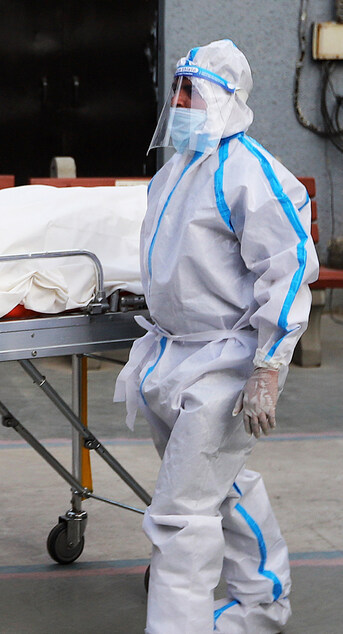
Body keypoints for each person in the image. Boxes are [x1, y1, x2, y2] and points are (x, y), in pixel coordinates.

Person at [115, 40, 317, 633]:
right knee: (223, 486)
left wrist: (268, 364)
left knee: (181, 513)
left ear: (224, 99)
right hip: (172, 356)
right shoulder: (176, 171)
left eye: (191, 91)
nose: (178, 101)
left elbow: (289, 266)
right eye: (176, 89)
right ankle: (263, 605)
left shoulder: (251, 174)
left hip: (223, 363)